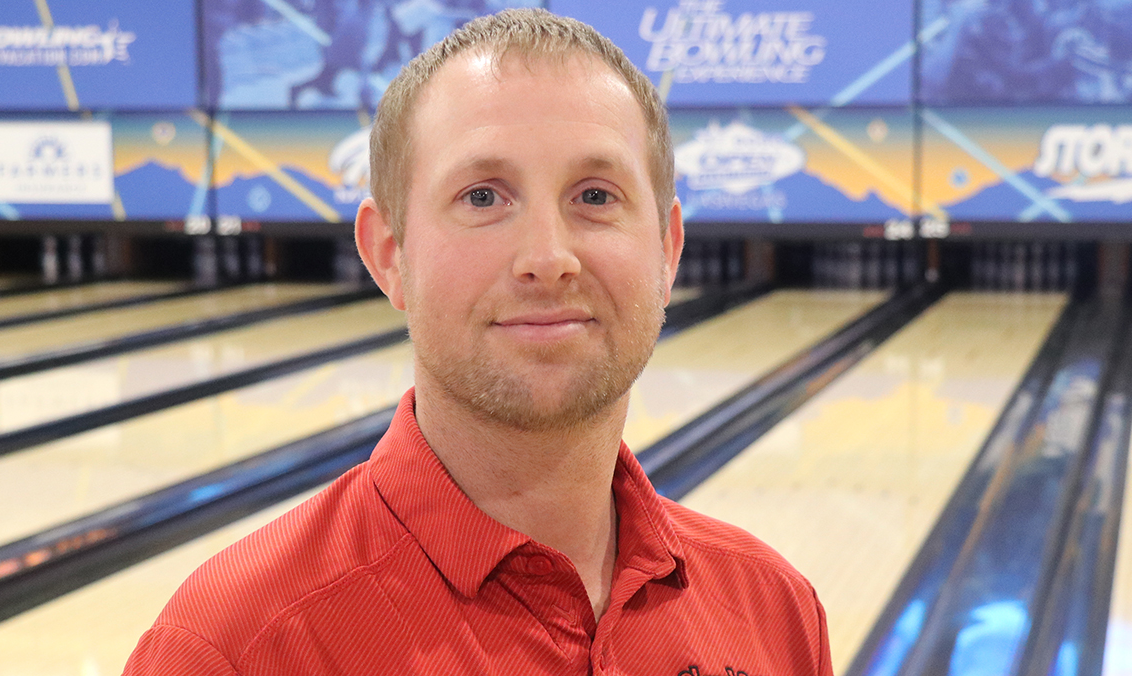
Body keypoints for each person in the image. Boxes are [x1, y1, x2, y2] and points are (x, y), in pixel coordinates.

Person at [123, 8, 831, 675]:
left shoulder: (776, 611)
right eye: (483, 197)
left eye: (595, 196)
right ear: (389, 254)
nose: (548, 256)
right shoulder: (234, 649)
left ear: (668, 250)